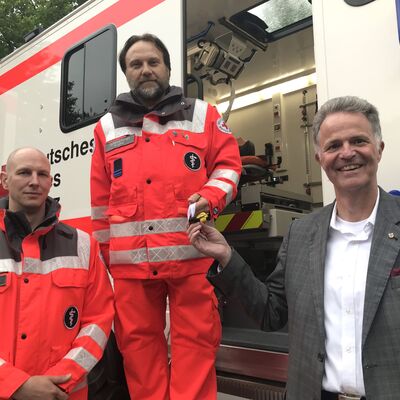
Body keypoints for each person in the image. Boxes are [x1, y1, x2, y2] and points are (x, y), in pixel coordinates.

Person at [188, 96, 400, 400]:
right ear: (319, 159)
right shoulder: (302, 233)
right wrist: (227, 257)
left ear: (379, 149)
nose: (347, 153)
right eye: (333, 146)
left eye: (358, 140)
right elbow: (270, 313)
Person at [90, 33, 241, 399]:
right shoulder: (106, 128)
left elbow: (228, 167)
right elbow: (100, 205)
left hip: (191, 261)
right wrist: (113, 262)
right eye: (135, 65)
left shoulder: (203, 114)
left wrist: (209, 197)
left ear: (168, 68)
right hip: (132, 272)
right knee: (139, 358)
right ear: (126, 74)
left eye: (152, 62)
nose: (145, 70)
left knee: (197, 349)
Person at [0, 147, 114, 400]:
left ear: (51, 182)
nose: (34, 181)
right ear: (4, 180)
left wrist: (61, 380)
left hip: (63, 393)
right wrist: (15, 384)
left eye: (42, 174)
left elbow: (98, 322)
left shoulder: (83, 244)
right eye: (24, 172)